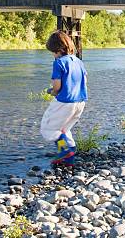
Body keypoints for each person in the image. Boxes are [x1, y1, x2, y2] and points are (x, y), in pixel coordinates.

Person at [40, 31, 88, 166]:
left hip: (65, 102)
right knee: (64, 129)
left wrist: (52, 91)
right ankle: (69, 158)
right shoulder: (78, 61)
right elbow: (85, 80)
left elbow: (57, 86)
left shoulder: (59, 63)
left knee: (48, 128)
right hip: (80, 102)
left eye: (53, 52)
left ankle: (65, 150)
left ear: (58, 50)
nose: (53, 55)